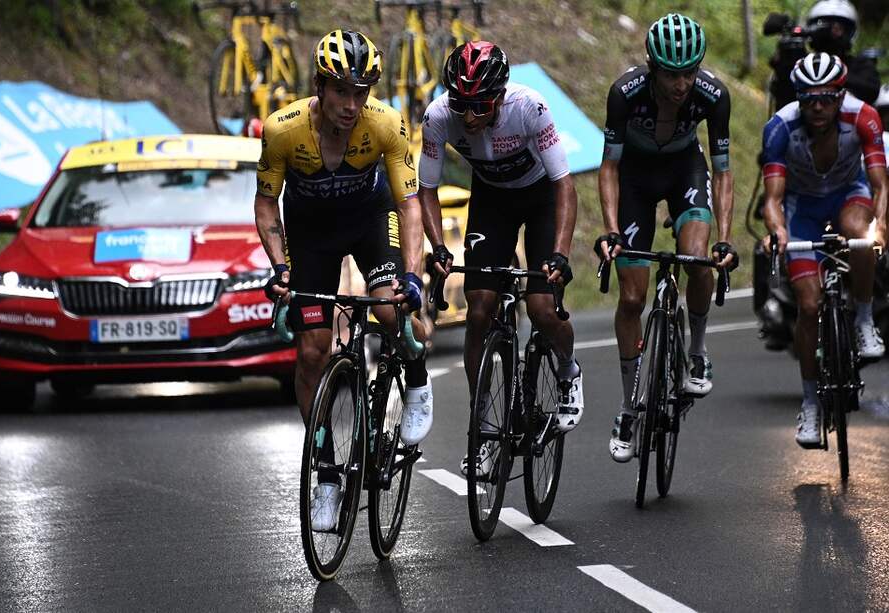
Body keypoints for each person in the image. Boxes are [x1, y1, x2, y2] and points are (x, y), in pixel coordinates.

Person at [254, 30, 433, 530]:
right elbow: (267, 202)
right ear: (320, 86)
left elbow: (408, 203)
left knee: (387, 308)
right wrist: (281, 269)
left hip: (369, 222)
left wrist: (412, 276)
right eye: (342, 92)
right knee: (312, 352)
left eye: (362, 92)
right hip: (311, 236)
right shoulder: (282, 130)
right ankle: (328, 475)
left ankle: (415, 375)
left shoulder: (386, 125)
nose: (352, 105)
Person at [418, 41, 583, 474]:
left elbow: (565, 185)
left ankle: (567, 368)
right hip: (491, 201)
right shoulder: (438, 118)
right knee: (478, 309)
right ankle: (482, 424)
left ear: (500, 97)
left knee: (543, 306)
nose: (469, 117)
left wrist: (561, 254)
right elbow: (427, 190)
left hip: (540, 198)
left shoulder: (529, 108)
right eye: (461, 105)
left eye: (480, 106)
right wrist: (437, 247)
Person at [595, 13, 738, 463]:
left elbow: (723, 172)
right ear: (652, 67)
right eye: (672, 74)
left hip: (684, 172)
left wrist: (726, 239)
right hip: (634, 181)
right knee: (633, 300)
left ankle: (696, 350)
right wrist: (612, 230)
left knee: (697, 258)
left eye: (690, 72)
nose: (682, 84)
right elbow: (609, 169)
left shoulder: (714, 97)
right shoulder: (624, 94)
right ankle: (628, 406)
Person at [761, 52, 887, 447]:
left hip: (849, 195)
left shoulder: (863, 117)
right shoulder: (781, 126)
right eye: (809, 98)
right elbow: (772, 198)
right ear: (798, 97)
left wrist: (880, 225)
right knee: (809, 306)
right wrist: (779, 231)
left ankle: (865, 320)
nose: (817, 107)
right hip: (802, 208)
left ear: (840, 95)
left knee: (859, 233)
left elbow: (881, 185)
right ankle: (811, 403)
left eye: (826, 98)